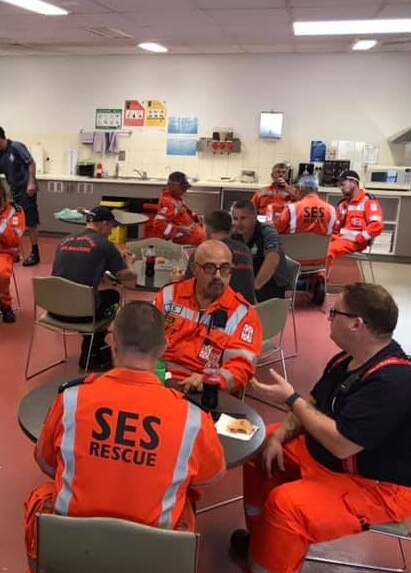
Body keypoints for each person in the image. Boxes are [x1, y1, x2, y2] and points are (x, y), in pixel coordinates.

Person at [230, 283, 411, 573]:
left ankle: (267, 563)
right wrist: (280, 436)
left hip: (375, 486)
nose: (329, 316)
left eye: (335, 312)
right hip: (331, 458)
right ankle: (261, 540)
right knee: (260, 443)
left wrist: (290, 398)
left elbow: (342, 443)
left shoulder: (394, 383)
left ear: (356, 324)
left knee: (287, 505)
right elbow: (313, 404)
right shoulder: (347, 359)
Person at [24, 301, 226, 572]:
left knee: (42, 494)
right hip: (151, 556)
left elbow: (46, 462)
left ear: (113, 341)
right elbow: (211, 476)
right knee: (186, 503)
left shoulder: (71, 399)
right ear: (165, 347)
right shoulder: (192, 417)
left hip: (74, 549)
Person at [155, 239, 262, 393]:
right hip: (159, 380)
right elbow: (145, 340)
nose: (218, 276)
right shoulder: (169, 295)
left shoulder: (243, 314)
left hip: (202, 392)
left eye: (225, 268)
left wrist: (212, 379)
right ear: (194, 269)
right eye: (210, 268)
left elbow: (241, 367)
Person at [52, 206, 136, 369]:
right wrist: (130, 263)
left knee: (95, 296)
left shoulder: (64, 240)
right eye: (111, 227)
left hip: (55, 310)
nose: (111, 233)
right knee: (113, 296)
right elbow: (129, 283)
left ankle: (92, 346)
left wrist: (102, 275)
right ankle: (91, 346)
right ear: (104, 224)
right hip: (82, 313)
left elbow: (77, 268)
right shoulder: (105, 245)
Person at [275, 174, 337, 305]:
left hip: (292, 260)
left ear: (300, 188)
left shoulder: (291, 209)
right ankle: (318, 279)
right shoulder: (331, 210)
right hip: (319, 260)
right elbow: (332, 233)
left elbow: (277, 230)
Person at [185, 210, 256, 303]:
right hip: (247, 311)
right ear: (230, 230)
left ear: (206, 230)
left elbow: (188, 288)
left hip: (221, 313)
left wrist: (175, 281)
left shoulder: (202, 252)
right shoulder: (245, 250)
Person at [231, 199, 290, 302]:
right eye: (235, 219)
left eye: (243, 218)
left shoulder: (268, 233)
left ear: (254, 216)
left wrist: (253, 288)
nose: (238, 223)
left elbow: (273, 260)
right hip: (247, 282)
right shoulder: (234, 235)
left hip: (270, 285)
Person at [0, 127, 40, 266]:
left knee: (30, 221)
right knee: (16, 222)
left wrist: (31, 182)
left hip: (26, 189)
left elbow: (31, 163)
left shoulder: (16, 147)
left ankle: (35, 254)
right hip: (14, 191)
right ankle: (15, 251)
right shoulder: (1, 154)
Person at [329, 170, 383, 261]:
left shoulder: (368, 201)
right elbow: (335, 227)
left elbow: (377, 225)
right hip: (339, 239)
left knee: (326, 250)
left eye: (342, 184)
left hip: (355, 242)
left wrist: (360, 238)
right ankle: (307, 272)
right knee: (315, 246)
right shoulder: (343, 204)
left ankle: (318, 275)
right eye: (339, 185)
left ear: (353, 183)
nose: (340, 188)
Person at [153, 171, 205, 245]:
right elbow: (158, 225)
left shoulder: (176, 198)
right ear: (173, 185)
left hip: (194, 234)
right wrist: (180, 229)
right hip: (186, 239)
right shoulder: (168, 202)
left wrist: (195, 217)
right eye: (183, 188)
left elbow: (184, 212)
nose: (185, 190)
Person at [0, 180, 25, 322]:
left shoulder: (15, 211)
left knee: (1, 273)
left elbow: (14, 241)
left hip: (5, 252)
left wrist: (1, 228)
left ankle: (5, 306)